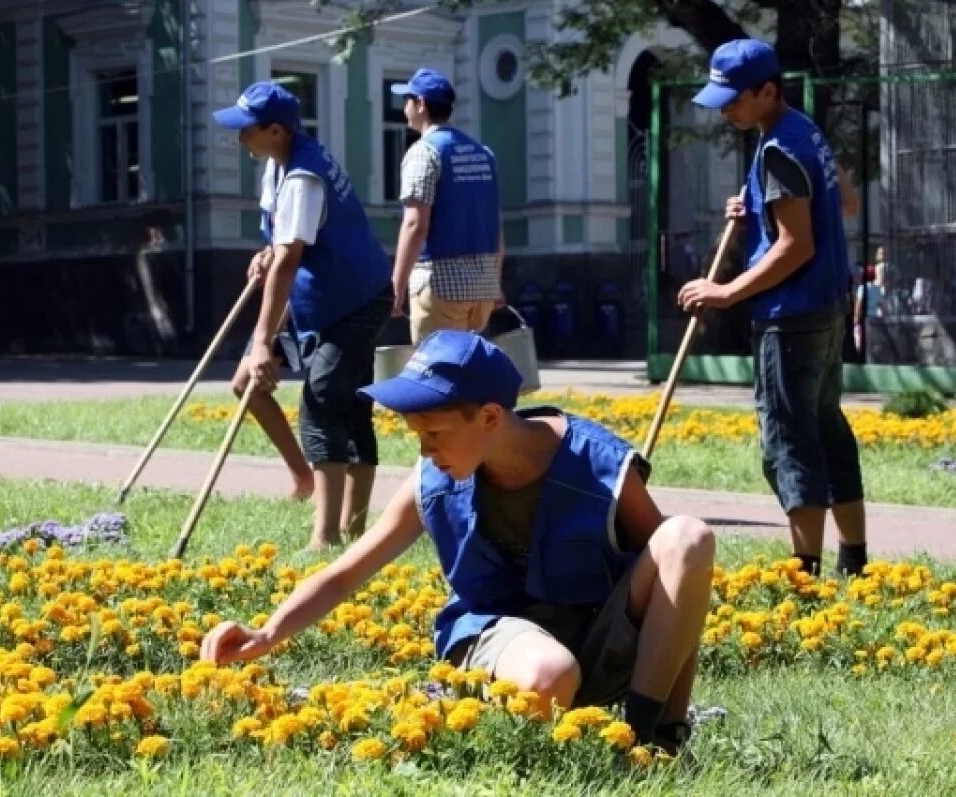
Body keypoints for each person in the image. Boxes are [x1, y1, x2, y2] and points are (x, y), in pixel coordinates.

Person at [201, 330, 716, 753]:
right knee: (549, 674)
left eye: (435, 434)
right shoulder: (434, 480)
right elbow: (347, 571)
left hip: (601, 639)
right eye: (417, 437)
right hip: (504, 642)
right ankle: (459, 702)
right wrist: (266, 633)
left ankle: (651, 741)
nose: (425, 452)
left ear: (490, 417)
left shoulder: (598, 467)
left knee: (687, 538)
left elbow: (679, 593)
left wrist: (668, 710)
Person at [678, 39, 868, 577]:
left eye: (734, 99)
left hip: (791, 315)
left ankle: (803, 571)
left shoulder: (778, 150)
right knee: (827, 428)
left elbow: (796, 245)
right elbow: (845, 201)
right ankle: (853, 559)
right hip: (827, 307)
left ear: (767, 90)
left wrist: (726, 291)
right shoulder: (802, 131)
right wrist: (757, 207)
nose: (726, 110)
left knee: (789, 437)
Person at [213, 81, 394, 550]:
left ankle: (330, 535)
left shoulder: (303, 177)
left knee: (328, 402)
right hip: (316, 299)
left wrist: (261, 343)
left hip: (353, 299)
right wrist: (265, 253)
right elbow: (282, 245)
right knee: (246, 384)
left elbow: (291, 260)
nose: (239, 140)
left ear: (275, 130)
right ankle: (304, 478)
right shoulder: (278, 164)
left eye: (246, 130)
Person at [389, 68, 505, 343]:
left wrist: (396, 287)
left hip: (440, 288)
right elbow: (496, 226)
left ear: (421, 104)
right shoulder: (483, 154)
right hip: (483, 289)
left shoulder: (424, 152)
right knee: (468, 375)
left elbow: (416, 225)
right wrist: (495, 283)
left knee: (435, 376)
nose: (403, 107)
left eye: (407, 99)